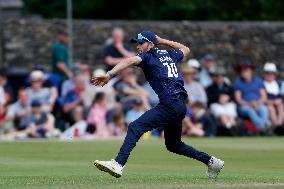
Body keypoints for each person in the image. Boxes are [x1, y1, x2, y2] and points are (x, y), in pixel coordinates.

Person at [92, 31, 224, 179]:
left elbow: (128, 61)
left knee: (135, 127)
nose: (138, 46)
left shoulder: (148, 56)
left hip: (170, 104)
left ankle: (118, 163)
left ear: (150, 44)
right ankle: (211, 162)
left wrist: (109, 75)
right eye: (137, 43)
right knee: (173, 145)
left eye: (141, 43)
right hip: (180, 105)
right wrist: (162, 40)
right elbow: (186, 49)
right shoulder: (169, 55)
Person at [234, 60, 269, 130]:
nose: (243, 71)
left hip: (258, 104)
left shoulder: (258, 81)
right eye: (242, 70)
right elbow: (238, 99)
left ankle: (263, 127)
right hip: (245, 106)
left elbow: (264, 96)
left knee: (264, 109)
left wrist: (257, 103)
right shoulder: (238, 83)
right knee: (250, 111)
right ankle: (262, 127)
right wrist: (249, 104)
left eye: (245, 69)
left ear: (250, 70)